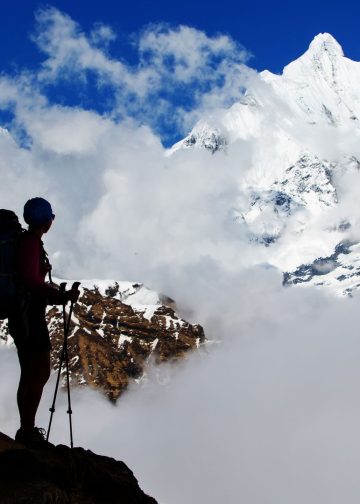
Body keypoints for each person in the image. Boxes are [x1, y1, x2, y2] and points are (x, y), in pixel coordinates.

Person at [8, 197, 79, 447]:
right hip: (28, 316)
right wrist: (59, 296)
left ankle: (26, 428)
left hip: (23, 314)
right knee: (37, 371)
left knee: (32, 371)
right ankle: (27, 430)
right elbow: (30, 282)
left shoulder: (27, 242)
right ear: (47, 221)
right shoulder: (30, 244)